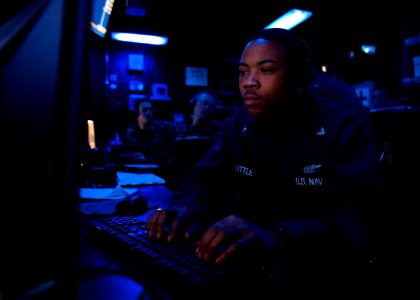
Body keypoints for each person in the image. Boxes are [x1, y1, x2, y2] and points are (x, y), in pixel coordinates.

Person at [146, 28, 384, 297]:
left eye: (266, 70)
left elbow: (360, 219)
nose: (249, 82)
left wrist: (280, 236)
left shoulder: (342, 126)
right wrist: (183, 209)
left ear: (297, 77)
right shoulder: (238, 124)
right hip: (244, 268)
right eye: (243, 71)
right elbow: (203, 178)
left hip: (318, 276)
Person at [120, 100, 178, 166]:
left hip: (157, 169)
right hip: (134, 169)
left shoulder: (162, 128)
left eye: (150, 109)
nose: (148, 112)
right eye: (144, 110)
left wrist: (147, 159)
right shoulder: (130, 131)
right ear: (137, 112)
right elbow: (126, 151)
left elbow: (166, 153)